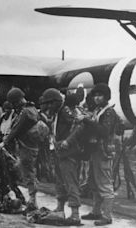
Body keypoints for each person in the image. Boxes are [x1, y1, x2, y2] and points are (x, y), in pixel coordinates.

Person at [79, 83, 120, 226]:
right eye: (95, 95)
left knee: (104, 183)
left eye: (100, 95)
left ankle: (107, 216)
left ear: (106, 97)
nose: (97, 98)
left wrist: (87, 121)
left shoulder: (109, 112)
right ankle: (96, 211)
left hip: (103, 151)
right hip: (95, 150)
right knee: (94, 182)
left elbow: (104, 131)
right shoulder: (98, 110)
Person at [2, 87, 40, 212]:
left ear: (17, 101)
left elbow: (17, 129)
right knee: (28, 173)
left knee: (28, 174)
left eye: (14, 103)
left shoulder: (25, 112)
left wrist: (5, 141)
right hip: (31, 146)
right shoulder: (32, 109)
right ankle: (32, 199)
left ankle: (32, 201)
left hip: (26, 147)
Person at [48, 91, 83, 225]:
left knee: (70, 182)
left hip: (68, 152)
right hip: (59, 151)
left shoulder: (66, 111)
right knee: (59, 181)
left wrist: (68, 141)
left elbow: (78, 126)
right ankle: (60, 207)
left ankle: (75, 214)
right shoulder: (58, 113)